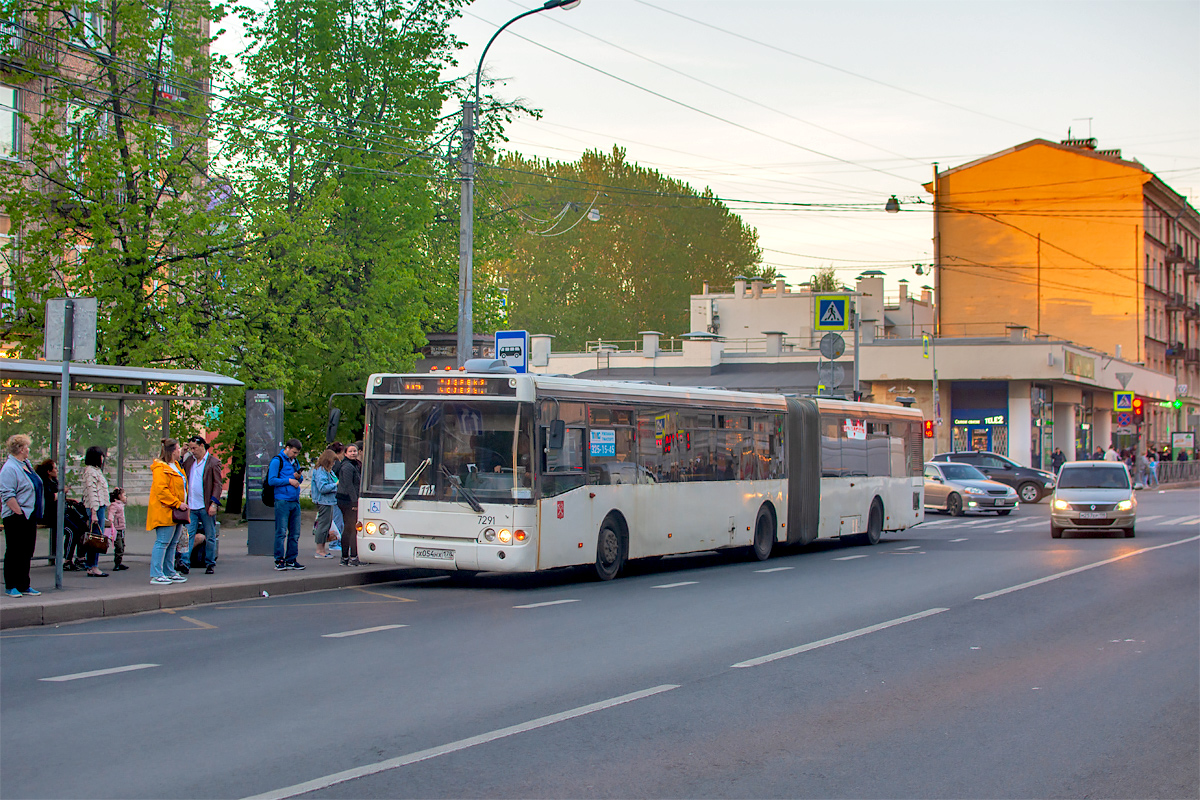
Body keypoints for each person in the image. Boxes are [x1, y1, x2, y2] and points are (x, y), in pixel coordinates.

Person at [2, 434, 44, 597]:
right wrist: (19, 512)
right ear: (20, 449)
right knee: (14, 550)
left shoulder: (26, 464)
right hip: (16, 515)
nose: (28, 449)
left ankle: (24, 584)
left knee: (27, 550)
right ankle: (11, 585)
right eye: (26, 447)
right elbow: (7, 494)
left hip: (30, 514)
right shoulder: (9, 468)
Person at [147, 438, 188, 585]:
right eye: (177, 449)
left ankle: (169, 571)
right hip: (166, 511)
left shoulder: (175, 465)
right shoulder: (160, 468)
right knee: (163, 542)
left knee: (172, 543)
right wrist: (177, 503)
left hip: (177, 511)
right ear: (171, 451)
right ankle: (157, 573)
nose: (179, 451)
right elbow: (162, 491)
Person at [181, 435, 223, 575]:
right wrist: (182, 454)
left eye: (194, 448)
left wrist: (214, 503)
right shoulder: (189, 461)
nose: (192, 451)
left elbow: (217, 484)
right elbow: (181, 472)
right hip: (191, 505)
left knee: (210, 535)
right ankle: (185, 562)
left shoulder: (212, 462)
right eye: (190, 448)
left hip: (205, 505)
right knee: (189, 534)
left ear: (202, 446)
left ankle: (210, 562)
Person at [268, 438, 305, 571]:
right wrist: (289, 480)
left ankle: (291, 559)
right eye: (294, 452)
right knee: (281, 532)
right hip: (282, 499)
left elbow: (299, 479)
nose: (295, 455)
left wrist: (297, 477)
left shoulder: (295, 462)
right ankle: (279, 559)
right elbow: (271, 480)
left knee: (295, 533)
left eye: (297, 453)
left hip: (294, 499)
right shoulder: (277, 460)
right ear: (287, 448)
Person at [81, 445, 111, 577]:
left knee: (96, 536)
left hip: (100, 506)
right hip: (96, 507)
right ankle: (92, 565)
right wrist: (93, 512)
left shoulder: (95, 470)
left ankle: (92, 564)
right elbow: (92, 493)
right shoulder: (90, 472)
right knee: (96, 538)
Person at [336, 441, 362, 566]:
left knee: (349, 528)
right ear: (346, 453)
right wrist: (354, 502)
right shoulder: (347, 466)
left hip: (347, 499)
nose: (353, 453)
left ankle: (346, 557)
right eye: (350, 451)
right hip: (347, 500)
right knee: (351, 529)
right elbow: (349, 485)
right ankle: (351, 556)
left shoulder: (354, 465)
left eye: (355, 451)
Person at [310, 448, 339, 558]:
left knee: (326, 525)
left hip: (329, 501)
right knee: (323, 525)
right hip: (324, 501)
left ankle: (322, 549)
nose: (333, 463)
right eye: (333, 461)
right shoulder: (321, 471)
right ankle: (319, 550)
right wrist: (335, 485)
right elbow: (322, 488)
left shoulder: (327, 470)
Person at [35, 459, 58, 566]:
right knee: (72, 529)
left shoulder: (55, 481)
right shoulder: (44, 483)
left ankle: (75, 558)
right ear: (49, 471)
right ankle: (67, 559)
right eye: (55, 468)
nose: (57, 470)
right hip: (49, 515)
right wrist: (60, 493)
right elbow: (49, 498)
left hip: (57, 513)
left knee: (78, 527)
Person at [107, 487, 129, 570]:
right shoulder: (114, 505)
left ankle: (119, 562)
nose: (126, 497)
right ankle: (117, 563)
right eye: (124, 495)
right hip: (116, 529)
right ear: (119, 496)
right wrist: (111, 522)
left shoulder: (121, 504)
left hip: (122, 528)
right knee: (119, 546)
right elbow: (111, 514)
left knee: (122, 545)